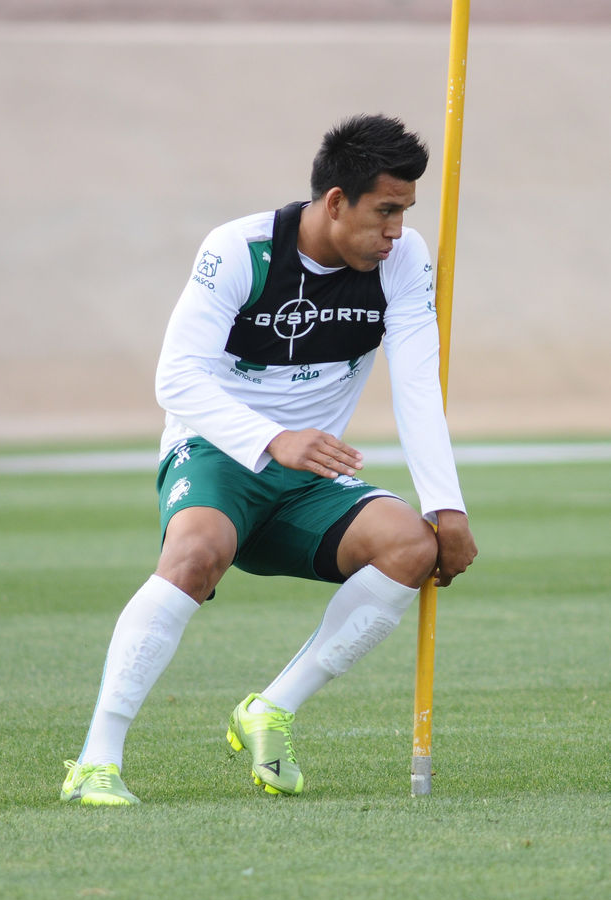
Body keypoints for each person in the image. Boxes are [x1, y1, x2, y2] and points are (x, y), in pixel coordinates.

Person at [61, 113, 477, 806]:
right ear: (336, 201)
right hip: (218, 451)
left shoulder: (402, 261)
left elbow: (417, 389)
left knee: (410, 545)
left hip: (310, 477)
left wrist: (446, 506)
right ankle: (95, 761)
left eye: (405, 211)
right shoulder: (240, 249)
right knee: (195, 555)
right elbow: (176, 378)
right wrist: (272, 438)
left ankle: (271, 709)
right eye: (385, 211)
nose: (397, 230)